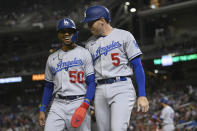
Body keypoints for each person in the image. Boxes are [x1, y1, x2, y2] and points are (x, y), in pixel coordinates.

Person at [82, 5, 149, 131]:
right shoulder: (89, 43)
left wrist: (142, 95)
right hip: (100, 90)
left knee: (117, 128)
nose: (88, 26)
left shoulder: (124, 36)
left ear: (102, 21)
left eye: (91, 23)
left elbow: (137, 66)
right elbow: (89, 75)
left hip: (121, 87)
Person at [38, 18, 96, 131]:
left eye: (70, 31)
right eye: (63, 31)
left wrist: (86, 104)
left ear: (75, 33)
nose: (66, 34)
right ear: (58, 34)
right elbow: (48, 87)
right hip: (57, 104)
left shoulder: (84, 53)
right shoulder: (51, 58)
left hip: (78, 101)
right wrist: (42, 109)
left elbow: (92, 82)